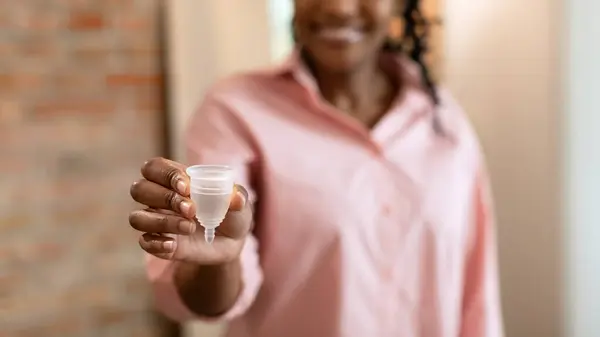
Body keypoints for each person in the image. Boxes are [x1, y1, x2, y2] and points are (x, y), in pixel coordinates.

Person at [128, 0, 505, 336]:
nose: (339, 7)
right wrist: (219, 259)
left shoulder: (445, 123)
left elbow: (476, 296)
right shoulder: (235, 110)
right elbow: (211, 289)